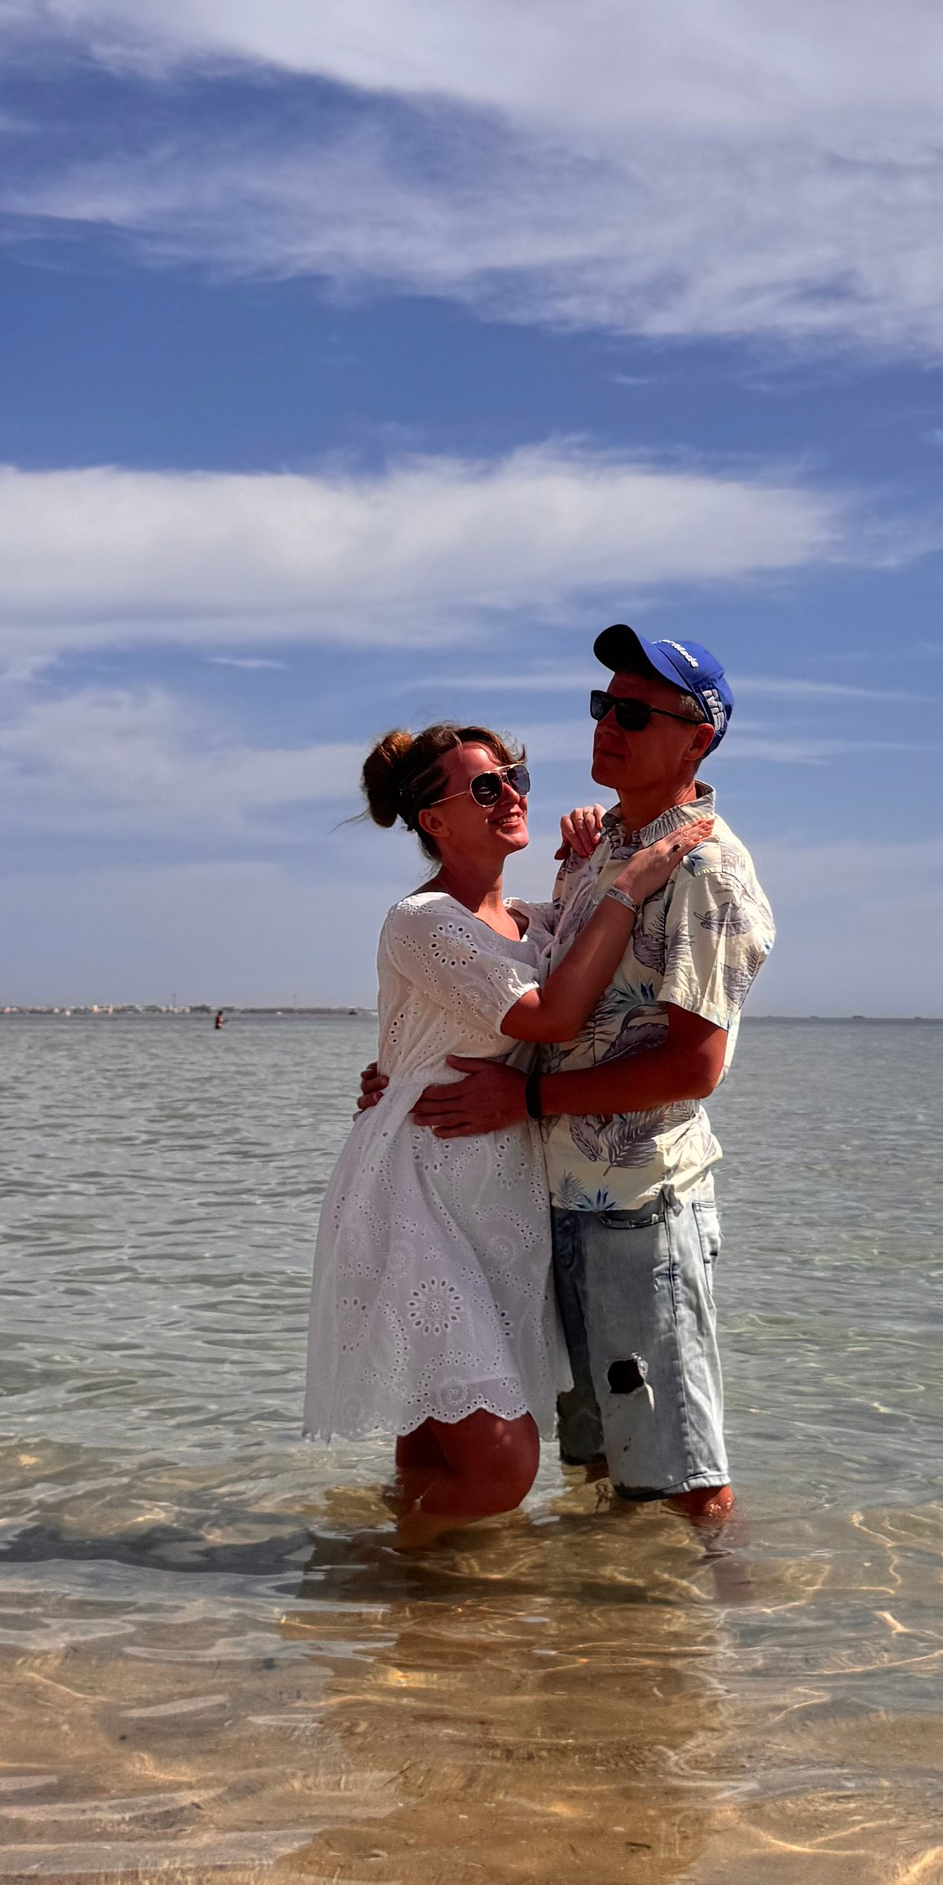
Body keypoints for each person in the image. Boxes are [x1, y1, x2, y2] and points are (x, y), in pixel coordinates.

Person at [375, 627, 775, 1526]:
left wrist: (521, 1098)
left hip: (641, 1203)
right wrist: (401, 1078)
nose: (607, 725)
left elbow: (695, 1066)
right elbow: (505, 990)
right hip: (554, 1202)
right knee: (597, 1468)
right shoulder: (603, 856)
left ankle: (722, 1649)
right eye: (603, 705)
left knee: (684, 1473)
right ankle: (585, 1652)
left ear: (697, 738)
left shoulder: (705, 866)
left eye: (634, 712)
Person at [303, 720, 713, 1539]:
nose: (513, 795)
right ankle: (384, 1571)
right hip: (415, 1185)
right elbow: (551, 1016)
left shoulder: (532, 918)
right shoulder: (421, 920)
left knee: (432, 1436)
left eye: (515, 776)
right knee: (502, 1463)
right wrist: (630, 882)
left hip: (499, 1195)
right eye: (485, 787)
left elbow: (567, 970)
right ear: (434, 821)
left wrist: (586, 870)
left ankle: (411, 1622)